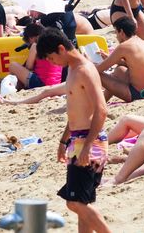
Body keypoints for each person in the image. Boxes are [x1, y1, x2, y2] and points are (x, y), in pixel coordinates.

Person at [40, 28, 112, 232]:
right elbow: (75, 113)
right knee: (82, 202)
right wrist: (64, 141)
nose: (53, 63)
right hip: (78, 140)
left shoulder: (84, 70)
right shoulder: (72, 68)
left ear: (61, 49)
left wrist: (87, 146)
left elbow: (102, 110)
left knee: (74, 203)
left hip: (89, 141)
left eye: (52, 58)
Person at [96, 17, 144, 102]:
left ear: (121, 32)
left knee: (95, 73)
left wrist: (87, 61)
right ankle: (103, 100)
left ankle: (98, 103)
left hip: (139, 94)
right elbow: (135, 66)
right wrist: (109, 59)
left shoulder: (124, 46)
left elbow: (98, 69)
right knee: (120, 70)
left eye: (116, 33)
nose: (116, 36)